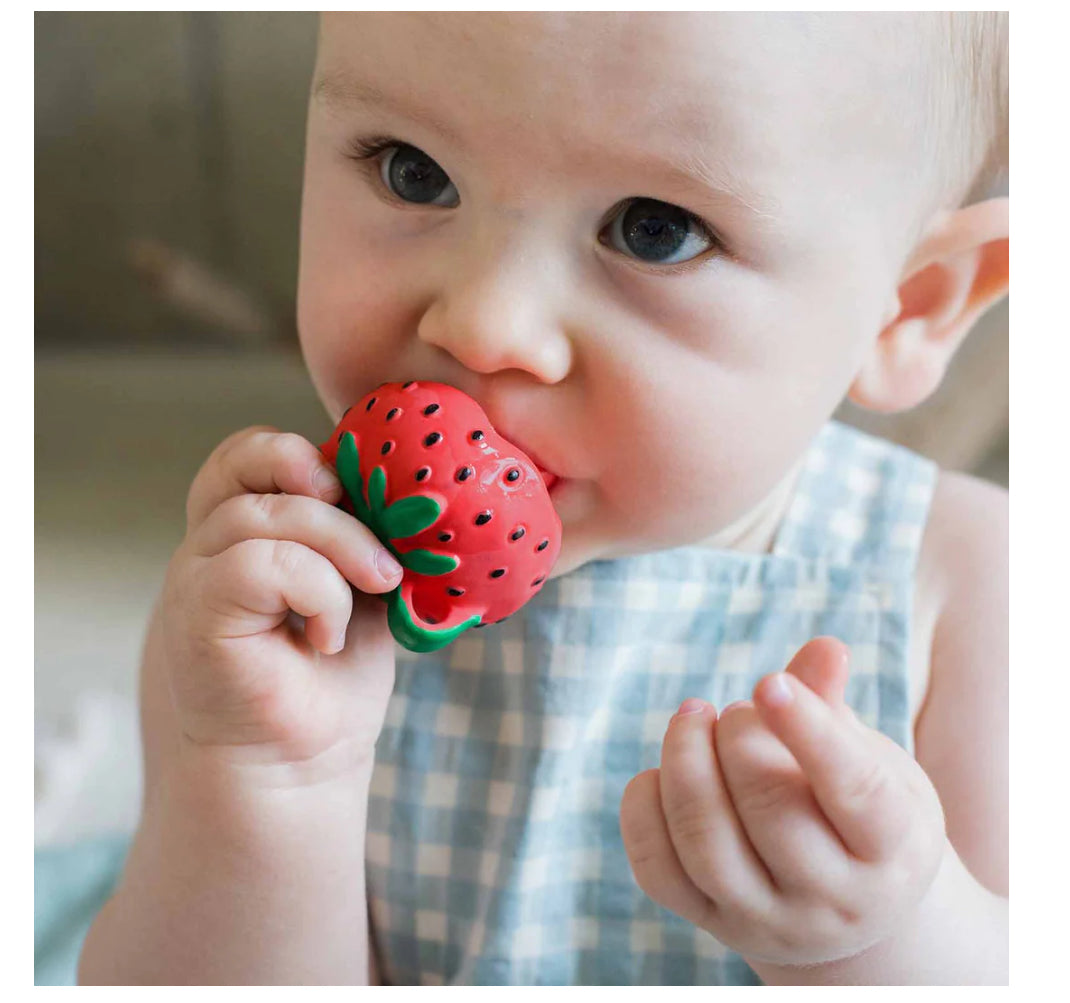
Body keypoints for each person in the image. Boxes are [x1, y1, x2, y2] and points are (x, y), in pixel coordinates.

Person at [79, 12, 1009, 985]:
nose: (483, 323)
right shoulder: (279, 594)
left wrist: (883, 936)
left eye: (655, 230)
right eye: (412, 170)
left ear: (909, 306)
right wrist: (265, 783)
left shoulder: (962, 596)